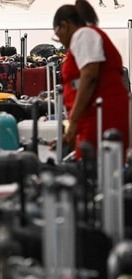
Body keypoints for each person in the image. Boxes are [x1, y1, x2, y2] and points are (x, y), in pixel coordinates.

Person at [52, 0, 129, 160]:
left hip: (102, 116)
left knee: (94, 173)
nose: (60, 41)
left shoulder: (83, 35)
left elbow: (89, 77)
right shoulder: (88, 36)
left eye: (57, 35)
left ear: (64, 26)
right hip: (96, 115)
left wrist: (73, 123)